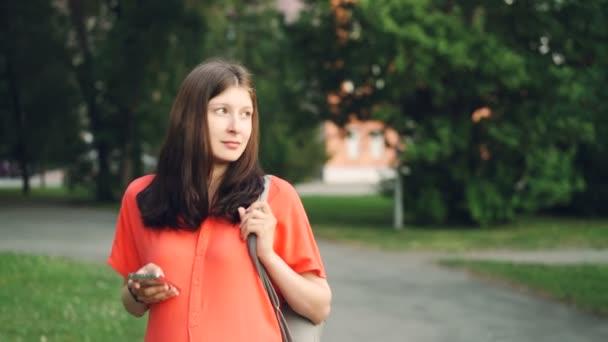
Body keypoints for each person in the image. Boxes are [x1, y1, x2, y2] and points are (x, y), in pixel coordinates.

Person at [107, 59, 331, 341]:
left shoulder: (275, 197)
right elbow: (132, 305)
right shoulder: (142, 196)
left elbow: (319, 307)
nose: (236, 127)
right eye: (222, 111)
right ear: (190, 117)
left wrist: (269, 256)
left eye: (246, 114)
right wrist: (137, 291)